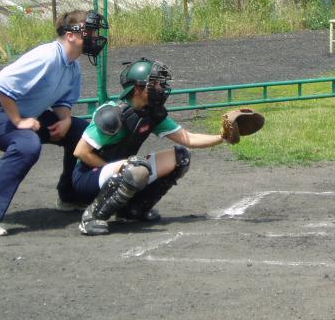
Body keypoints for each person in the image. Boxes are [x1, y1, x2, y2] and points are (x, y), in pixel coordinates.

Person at [0, 10, 108, 236]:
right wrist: (18, 120)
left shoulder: (72, 66)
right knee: (26, 145)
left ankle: (69, 197)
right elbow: (3, 84)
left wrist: (66, 120)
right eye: (89, 31)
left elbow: (63, 101)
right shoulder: (48, 55)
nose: (94, 36)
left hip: (30, 113)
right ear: (71, 35)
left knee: (83, 133)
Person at [71, 57, 227, 236]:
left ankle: (133, 210)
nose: (161, 88)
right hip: (87, 178)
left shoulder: (150, 113)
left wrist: (223, 137)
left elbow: (188, 138)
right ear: (137, 88)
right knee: (136, 169)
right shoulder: (113, 114)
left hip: (121, 172)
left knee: (180, 157)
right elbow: (81, 152)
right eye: (155, 84)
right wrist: (117, 170)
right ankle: (91, 217)